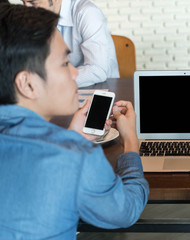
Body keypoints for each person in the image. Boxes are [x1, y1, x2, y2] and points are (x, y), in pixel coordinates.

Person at [0, 4, 148, 239]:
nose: (76, 73)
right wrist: (131, 144)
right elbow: (125, 210)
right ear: (27, 84)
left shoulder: (69, 149)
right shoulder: (74, 156)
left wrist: (72, 136)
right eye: (64, 63)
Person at [22, 0, 119, 87]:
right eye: (23, 2)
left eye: (33, 3)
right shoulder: (39, 18)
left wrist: (50, 82)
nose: (27, 9)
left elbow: (97, 70)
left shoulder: (87, 12)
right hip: (63, 92)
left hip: (101, 89)